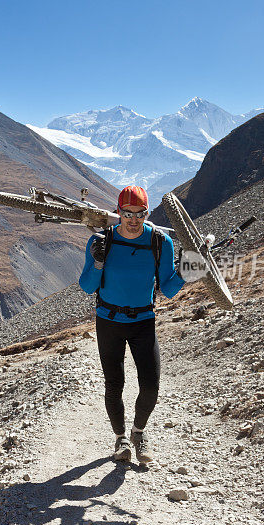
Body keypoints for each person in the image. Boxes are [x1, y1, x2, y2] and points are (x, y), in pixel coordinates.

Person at [79, 185, 185, 464]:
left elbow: (170, 288)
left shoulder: (160, 242)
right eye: (128, 214)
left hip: (143, 321)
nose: (134, 220)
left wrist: (191, 267)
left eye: (140, 214)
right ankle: (121, 439)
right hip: (109, 320)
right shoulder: (102, 242)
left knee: (150, 385)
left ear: (147, 213)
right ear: (118, 212)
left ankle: (139, 433)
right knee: (114, 384)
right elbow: (87, 286)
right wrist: (98, 262)